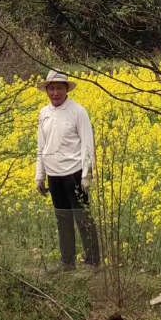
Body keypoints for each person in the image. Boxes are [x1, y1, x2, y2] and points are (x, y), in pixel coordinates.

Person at [35, 70, 101, 271]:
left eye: (59, 88)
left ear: (66, 90)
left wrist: (86, 174)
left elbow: (87, 144)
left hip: (74, 173)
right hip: (54, 175)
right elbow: (41, 146)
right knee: (62, 218)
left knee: (83, 218)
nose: (55, 93)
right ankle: (68, 262)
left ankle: (93, 261)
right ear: (47, 90)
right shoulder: (44, 114)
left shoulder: (78, 111)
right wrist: (40, 175)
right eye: (51, 88)